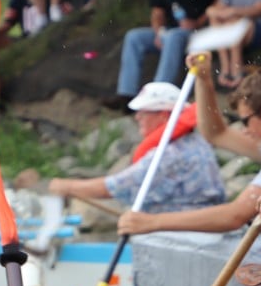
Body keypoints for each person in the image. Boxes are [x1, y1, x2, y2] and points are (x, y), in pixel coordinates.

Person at [118, 62, 261, 236]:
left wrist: (152, 222)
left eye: (246, 121)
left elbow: (234, 216)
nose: (244, 130)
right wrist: (204, 81)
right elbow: (216, 133)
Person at [48, 82, 226, 213]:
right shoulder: (193, 140)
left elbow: (114, 187)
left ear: (163, 116)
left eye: (143, 112)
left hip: (187, 236)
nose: (137, 117)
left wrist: (67, 186)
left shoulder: (169, 153)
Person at [104, 0, 225, 109]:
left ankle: (157, 93)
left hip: (199, 31)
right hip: (171, 29)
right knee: (134, 37)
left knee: (173, 37)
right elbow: (157, 11)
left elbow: (220, 0)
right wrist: (158, 32)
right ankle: (126, 94)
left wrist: (198, 21)